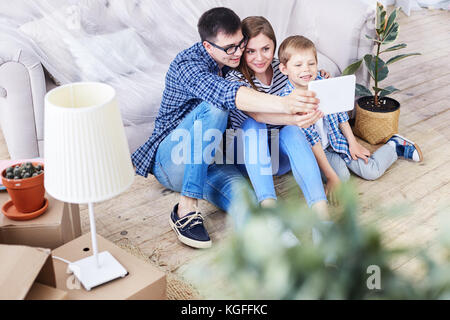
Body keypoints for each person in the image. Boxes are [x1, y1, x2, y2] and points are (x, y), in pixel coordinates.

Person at [132, 8, 323, 249]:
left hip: (216, 160)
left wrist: (312, 78)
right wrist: (286, 106)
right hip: (175, 156)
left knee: (249, 206)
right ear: (208, 47)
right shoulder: (188, 66)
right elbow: (226, 95)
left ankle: (284, 253)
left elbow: (276, 73)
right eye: (229, 48)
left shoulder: (236, 62)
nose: (238, 52)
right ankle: (186, 208)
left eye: (240, 44)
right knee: (216, 108)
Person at [277, 35, 423, 194]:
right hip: (317, 151)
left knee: (371, 171)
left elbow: (340, 115)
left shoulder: (322, 82)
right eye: (298, 65)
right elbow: (312, 140)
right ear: (284, 69)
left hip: (337, 139)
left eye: (311, 63)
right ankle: (338, 167)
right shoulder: (289, 101)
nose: (306, 69)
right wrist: (332, 177)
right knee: (342, 179)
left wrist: (353, 143)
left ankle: (395, 146)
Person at [225, 16, 332, 223]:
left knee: (291, 131)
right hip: (247, 158)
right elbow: (257, 114)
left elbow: (304, 74)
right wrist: (295, 119)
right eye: (250, 51)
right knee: (253, 124)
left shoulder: (283, 69)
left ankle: (323, 219)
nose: (259, 58)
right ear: (242, 50)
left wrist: (319, 76)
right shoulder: (235, 79)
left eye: (266, 49)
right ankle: (270, 214)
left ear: (274, 45)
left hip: (279, 158)